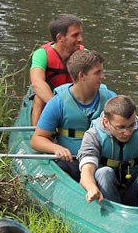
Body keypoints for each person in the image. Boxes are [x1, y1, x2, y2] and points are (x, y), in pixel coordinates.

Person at [31, 50, 116, 181]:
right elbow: (37, 139)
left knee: (107, 174)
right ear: (82, 75)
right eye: (97, 73)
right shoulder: (58, 102)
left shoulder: (110, 99)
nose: (102, 76)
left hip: (102, 163)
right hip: (72, 161)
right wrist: (56, 148)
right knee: (62, 169)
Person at [30, 14, 85, 126]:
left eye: (80, 34)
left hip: (73, 96)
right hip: (51, 97)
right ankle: (36, 134)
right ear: (60, 38)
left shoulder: (84, 55)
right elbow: (37, 82)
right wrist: (57, 108)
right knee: (39, 98)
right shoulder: (42, 54)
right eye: (75, 35)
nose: (80, 39)